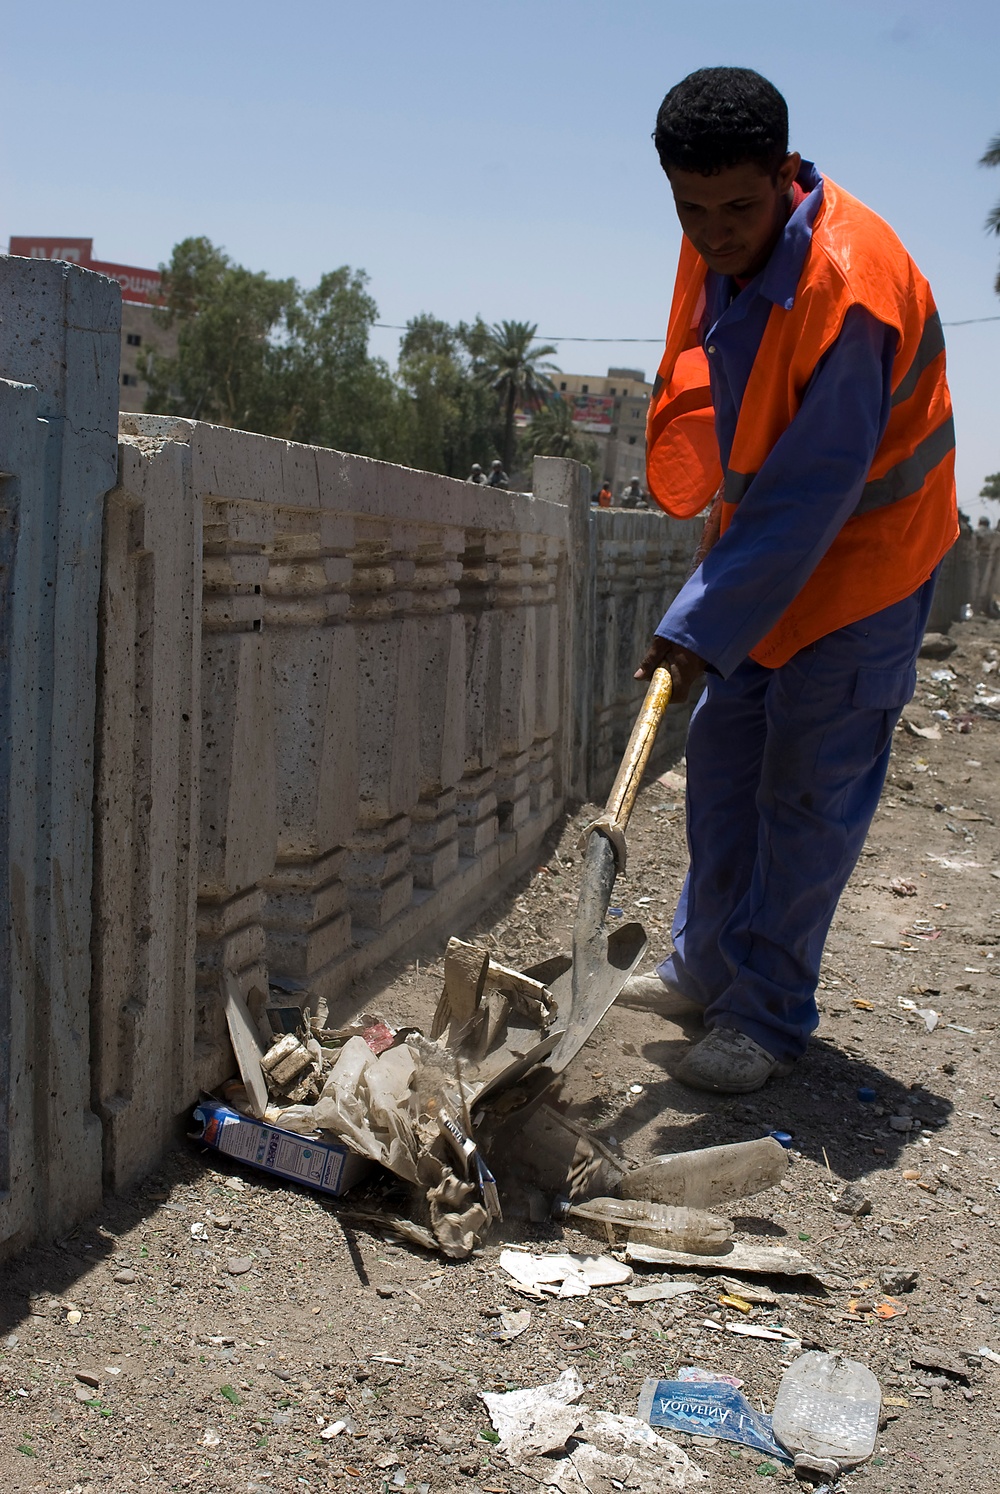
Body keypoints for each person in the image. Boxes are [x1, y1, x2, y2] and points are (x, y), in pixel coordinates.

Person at [621, 67, 957, 1094]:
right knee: (723, 767)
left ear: (784, 176)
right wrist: (716, 594)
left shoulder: (851, 292)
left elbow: (811, 491)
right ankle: (705, 964)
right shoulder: (715, 244)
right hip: (766, 565)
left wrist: (696, 622)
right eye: (691, 209)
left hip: (864, 567)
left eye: (736, 207)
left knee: (806, 790)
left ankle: (763, 1015)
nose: (714, 232)